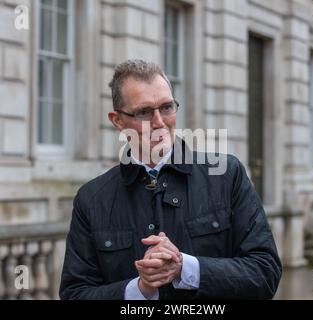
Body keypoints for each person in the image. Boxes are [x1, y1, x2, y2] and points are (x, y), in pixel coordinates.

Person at [59, 59, 282, 300]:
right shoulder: (92, 199)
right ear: (118, 121)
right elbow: (75, 293)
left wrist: (184, 268)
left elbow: (265, 272)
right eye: (144, 112)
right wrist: (139, 290)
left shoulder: (227, 175)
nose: (159, 122)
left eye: (166, 107)